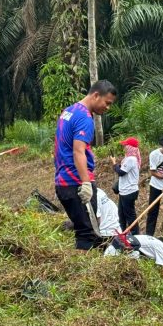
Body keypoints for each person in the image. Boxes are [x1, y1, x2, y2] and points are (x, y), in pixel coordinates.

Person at [53, 80, 118, 249]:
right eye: (107, 103)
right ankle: (82, 275)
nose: (108, 108)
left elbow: (62, 146)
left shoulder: (69, 111)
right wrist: (86, 183)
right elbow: (78, 151)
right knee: (88, 234)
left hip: (63, 181)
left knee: (83, 230)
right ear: (96, 95)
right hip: (76, 183)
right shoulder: (85, 118)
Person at [111, 137, 140, 233]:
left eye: (126, 145)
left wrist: (114, 163)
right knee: (121, 214)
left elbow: (121, 172)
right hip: (125, 191)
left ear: (130, 147)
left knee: (130, 215)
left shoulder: (131, 159)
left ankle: (136, 235)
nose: (124, 147)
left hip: (129, 191)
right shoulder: (129, 158)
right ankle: (122, 232)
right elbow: (123, 169)